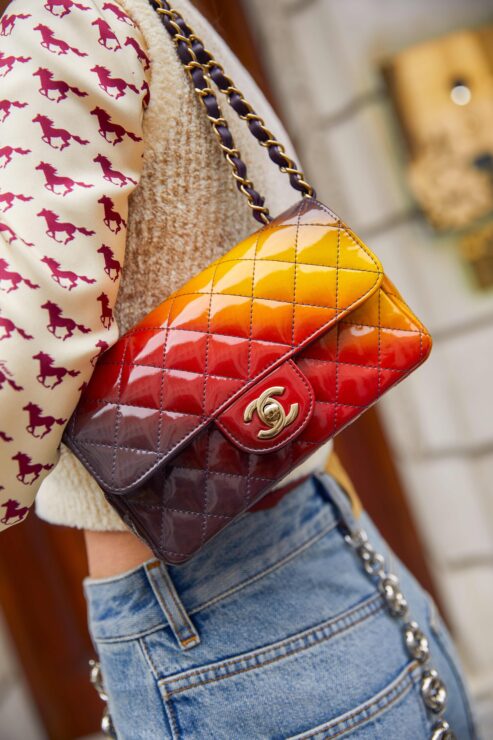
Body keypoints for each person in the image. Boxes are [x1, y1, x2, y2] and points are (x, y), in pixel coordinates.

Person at [0, 0, 478, 737]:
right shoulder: (158, 11)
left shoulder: (53, 25)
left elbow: (33, 351)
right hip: (336, 561)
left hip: (212, 627)